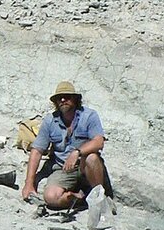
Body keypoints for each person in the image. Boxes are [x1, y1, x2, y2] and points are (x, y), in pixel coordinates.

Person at [21, 81, 113, 210]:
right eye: (59, 98)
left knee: (92, 158)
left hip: (84, 167)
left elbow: (98, 142)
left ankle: (99, 200)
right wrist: (29, 184)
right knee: (51, 197)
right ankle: (79, 198)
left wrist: (77, 152)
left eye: (67, 97)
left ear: (75, 99)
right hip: (62, 168)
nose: (63, 100)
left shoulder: (89, 116)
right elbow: (37, 151)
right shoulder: (50, 120)